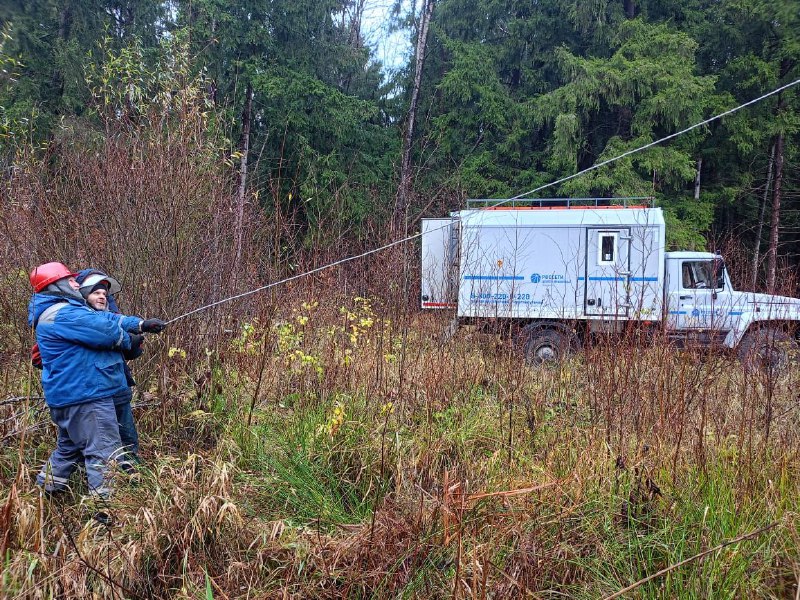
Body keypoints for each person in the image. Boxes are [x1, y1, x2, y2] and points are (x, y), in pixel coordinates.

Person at [28, 262, 166, 500]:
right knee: (104, 453)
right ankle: (106, 514)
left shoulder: (64, 310)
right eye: (70, 280)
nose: (75, 282)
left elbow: (108, 318)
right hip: (87, 397)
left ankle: (44, 495)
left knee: (68, 450)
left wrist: (141, 325)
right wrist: (129, 340)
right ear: (55, 285)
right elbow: (106, 330)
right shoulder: (64, 313)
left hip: (70, 398)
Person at [76, 269, 142, 467]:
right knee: (101, 445)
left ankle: (133, 481)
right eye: (96, 292)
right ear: (84, 294)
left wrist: (135, 339)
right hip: (95, 393)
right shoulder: (79, 320)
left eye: (105, 294)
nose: (102, 297)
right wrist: (127, 340)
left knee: (128, 439)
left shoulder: (111, 317)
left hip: (119, 387)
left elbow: (129, 353)